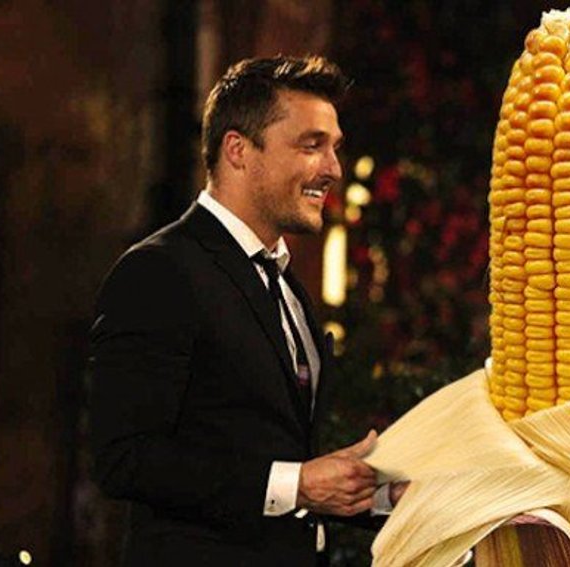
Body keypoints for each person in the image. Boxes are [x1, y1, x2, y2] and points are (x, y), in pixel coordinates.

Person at [89, 55, 398, 566]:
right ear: (237, 150)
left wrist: (384, 495)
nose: (333, 169)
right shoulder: (159, 271)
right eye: (311, 145)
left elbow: (278, 457)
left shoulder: (286, 285)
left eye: (334, 148)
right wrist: (297, 484)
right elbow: (125, 458)